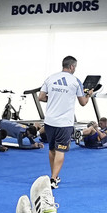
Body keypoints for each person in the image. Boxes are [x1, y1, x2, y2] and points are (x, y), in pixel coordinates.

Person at [38, 56, 90, 189]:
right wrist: (89, 94)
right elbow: (83, 102)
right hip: (64, 123)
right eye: (75, 67)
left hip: (49, 121)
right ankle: (53, 179)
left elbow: (41, 97)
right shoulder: (76, 81)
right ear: (72, 66)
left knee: (52, 149)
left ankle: (54, 176)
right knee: (60, 150)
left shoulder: (50, 78)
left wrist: (53, 99)